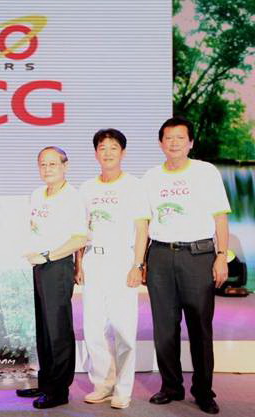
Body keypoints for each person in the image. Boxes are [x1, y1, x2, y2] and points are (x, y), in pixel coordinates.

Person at [143, 116, 230, 415]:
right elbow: (144, 222)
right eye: (168, 138)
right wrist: (142, 261)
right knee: (164, 328)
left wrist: (222, 255)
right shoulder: (151, 177)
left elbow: (220, 217)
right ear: (160, 143)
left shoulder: (206, 172)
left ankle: (203, 391)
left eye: (180, 138)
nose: (174, 143)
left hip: (198, 255)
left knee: (199, 327)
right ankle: (171, 386)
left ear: (191, 142)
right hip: (160, 255)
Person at [76, 129, 149, 409]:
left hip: (122, 261)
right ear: (96, 153)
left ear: (123, 152)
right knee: (93, 329)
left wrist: (137, 265)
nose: (107, 153)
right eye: (102, 148)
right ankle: (103, 384)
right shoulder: (86, 188)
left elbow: (142, 229)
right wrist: (79, 263)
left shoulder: (134, 186)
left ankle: (123, 389)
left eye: (113, 147)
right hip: (93, 261)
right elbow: (81, 230)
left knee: (123, 329)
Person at [16, 146, 87, 409]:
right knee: (43, 329)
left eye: (53, 164)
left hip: (56, 266)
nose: (47, 169)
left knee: (58, 330)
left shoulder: (72, 197)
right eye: (43, 164)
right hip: (38, 267)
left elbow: (79, 238)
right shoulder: (37, 194)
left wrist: (47, 256)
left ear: (65, 166)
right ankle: (46, 382)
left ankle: (59, 390)